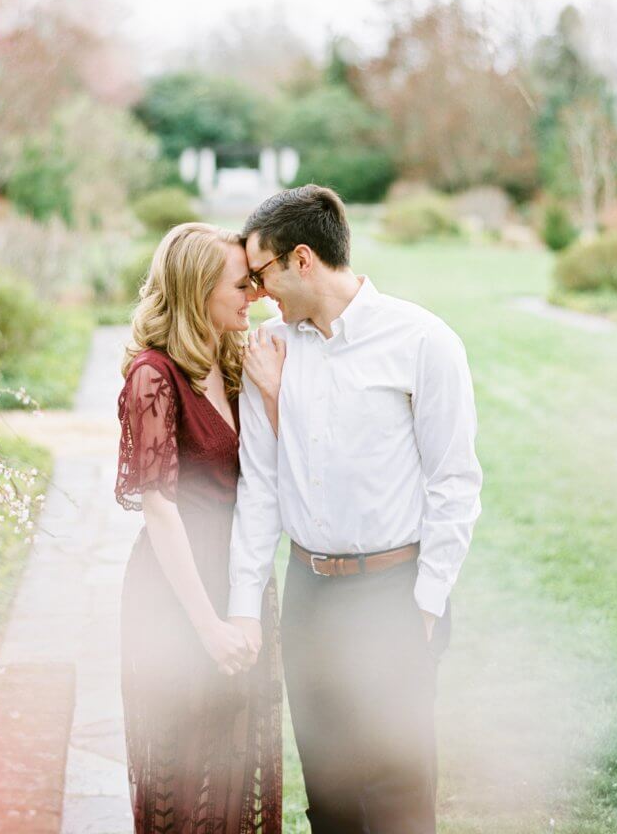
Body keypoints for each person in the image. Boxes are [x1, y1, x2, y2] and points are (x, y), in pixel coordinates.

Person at [228, 185, 483, 834]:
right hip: (309, 592)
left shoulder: (423, 341)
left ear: (303, 259)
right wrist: (243, 603)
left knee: (398, 793)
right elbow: (262, 485)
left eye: (261, 274)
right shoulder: (271, 350)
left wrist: (425, 604)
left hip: (392, 592)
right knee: (330, 792)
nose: (256, 292)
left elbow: (454, 482)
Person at [114, 222, 284, 834]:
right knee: (185, 773)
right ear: (196, 290)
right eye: (242, 285)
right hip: (177, 591)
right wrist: (206, 623)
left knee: (237, 760)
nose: (255, 296)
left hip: (240, 576)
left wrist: (271, 396)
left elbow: (272, 475)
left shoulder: (236, 361)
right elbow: (160, 509)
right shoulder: (154, 377)